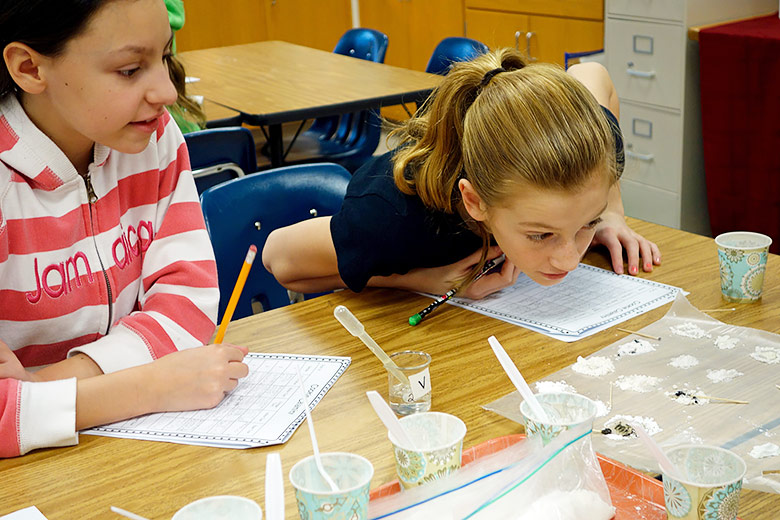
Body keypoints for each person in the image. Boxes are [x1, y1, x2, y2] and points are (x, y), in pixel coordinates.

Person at [0, 0, 248, 458]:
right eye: (131, 70)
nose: (168, 92)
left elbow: (187, 308)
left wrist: (39, 389)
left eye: (166, 57)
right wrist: (148, 386)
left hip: (139, 450)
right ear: (30, 67)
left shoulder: (153, 135)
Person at [262, 48, 661, 299]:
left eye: (582, 226)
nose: (570, 259)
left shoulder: (593, 142)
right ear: (475, 202)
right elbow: (280, 258)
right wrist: (414, 280)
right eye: (540, 234)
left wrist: (609, 213)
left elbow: (594, 73)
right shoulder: (398, 217)